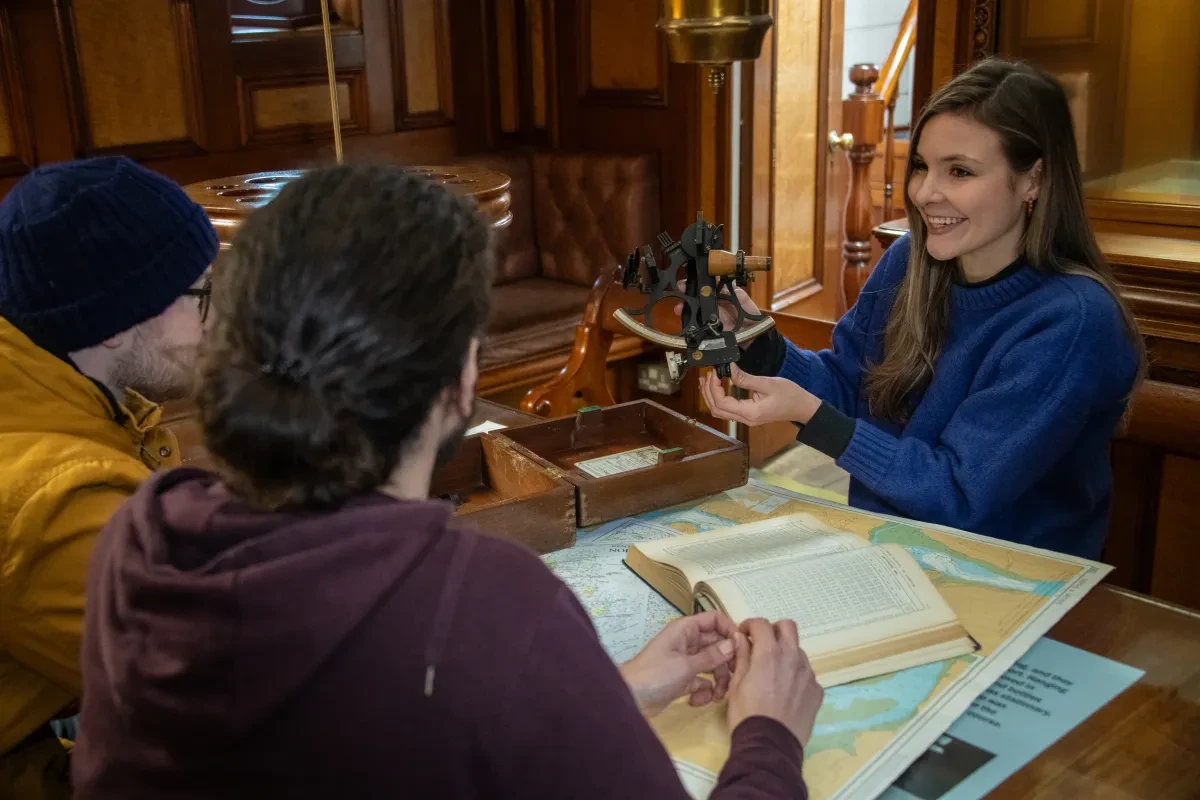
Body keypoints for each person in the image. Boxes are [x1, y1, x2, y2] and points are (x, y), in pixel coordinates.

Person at [71, 165, 824, 799]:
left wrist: (607, 693)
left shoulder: (139, 538)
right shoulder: (489, 603)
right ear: (459, 378)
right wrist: (768, 737)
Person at [700, 58, 1144, 560]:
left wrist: (809, 414)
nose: (926, 193)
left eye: (959, 171)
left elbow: (958, 492)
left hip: (1010, 579)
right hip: (889, 551)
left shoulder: (1074, 321)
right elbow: (850, 387)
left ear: (1033, 181)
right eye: (921, 166)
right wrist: (759, 340)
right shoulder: (907, 260)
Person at [0, 156, 219, 798]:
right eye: (202, 295)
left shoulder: (70, 400)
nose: (217, 319)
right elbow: (220, 693)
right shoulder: (50, 494)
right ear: (120, 323)